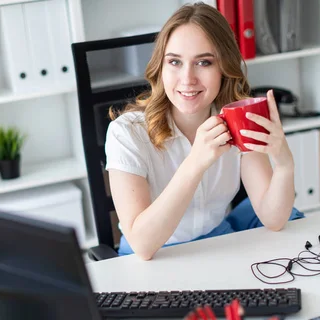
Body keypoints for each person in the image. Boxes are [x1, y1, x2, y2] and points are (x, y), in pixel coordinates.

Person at [105, 2, 303, 260]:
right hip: (155, 258)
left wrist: (285, 164)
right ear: (161, 68)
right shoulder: (127, 133)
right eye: (175, 62)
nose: (187, 79)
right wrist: (196, 162)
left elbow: (274, 219)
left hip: (216, 245)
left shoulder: (239, 121)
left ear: (224, 68)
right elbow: (143, 246)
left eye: (204, 62)